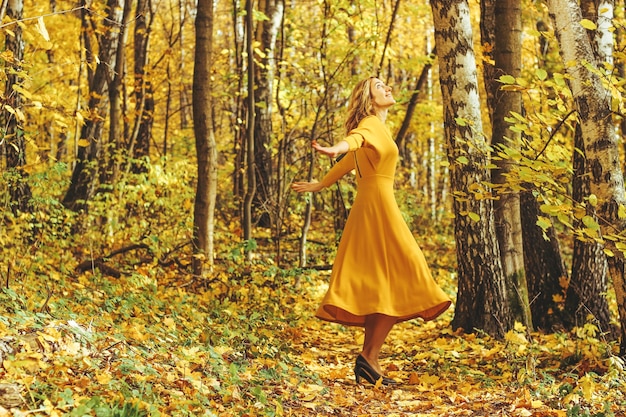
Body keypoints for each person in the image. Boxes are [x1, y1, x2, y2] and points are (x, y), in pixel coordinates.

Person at [292, 76, 452, 386]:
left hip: (374, 205)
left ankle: (369, 358)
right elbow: (352, 142)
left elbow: (355, 156)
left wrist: (323, 182)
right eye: (379, 86)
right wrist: (332, 149)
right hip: (378, 206)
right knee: (410, 268)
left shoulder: (377, 128)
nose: (388, 88)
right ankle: (369, 356)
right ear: (368, 99)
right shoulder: (369, 123)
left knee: (387, 282)